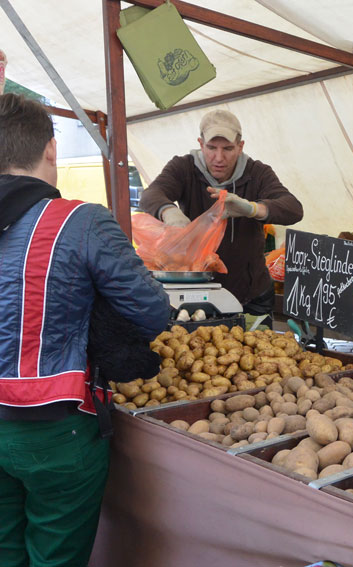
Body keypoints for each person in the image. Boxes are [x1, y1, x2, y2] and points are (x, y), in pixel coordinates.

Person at [0, 93, 171, 567]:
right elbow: (153, 311)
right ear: (51, 149)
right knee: (55, 557)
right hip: (57, 428)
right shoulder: (81, 220)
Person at [139, 108, 304, 320]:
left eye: (227, 148)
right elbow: (151, 194)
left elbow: (293, 208)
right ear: (200, 144)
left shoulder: (257, 173)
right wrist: (169, 212)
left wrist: (252, 208)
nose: (219, 158)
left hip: (251, 295)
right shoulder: (184, 168)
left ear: (240, 146)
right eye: (211, 148)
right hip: (197, 293)